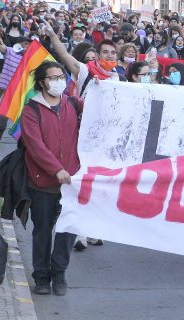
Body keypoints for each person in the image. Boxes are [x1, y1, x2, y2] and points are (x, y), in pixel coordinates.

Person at [20, 61, 80, 296]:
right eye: (52, 78)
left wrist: (100, 87)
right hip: (43, 183)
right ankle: (42, 276)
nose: (57, 81)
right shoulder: (31, 110)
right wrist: (56, 169)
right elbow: (35, 146)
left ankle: (59, 272)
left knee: (68, 230)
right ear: (43, 82)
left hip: (72, 183)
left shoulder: (73, 103)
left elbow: (100, 110)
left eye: (60, 77)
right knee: (42, 230)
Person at [45, 23, 122, 99]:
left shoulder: (117, 76)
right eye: (105, 52)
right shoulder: (85, 70)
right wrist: (52, 35)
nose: (110, 55)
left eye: (113, 53)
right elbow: (65, 55)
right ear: (97, 56)